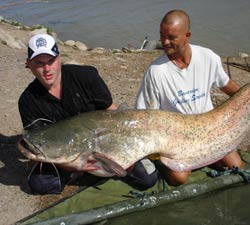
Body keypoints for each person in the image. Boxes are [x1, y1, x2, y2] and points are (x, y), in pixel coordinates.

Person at [19, 33, 157, 194]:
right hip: (67, 155)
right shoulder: (27, 101)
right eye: (39, 63)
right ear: (29, 64)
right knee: (38, 184)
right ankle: (84, 172)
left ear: (59, 58)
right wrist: (72, 165)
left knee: (148, 178)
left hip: (105, 144)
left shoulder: (86, 76)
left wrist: (124, 153)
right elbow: (36, 142)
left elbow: (114, 113)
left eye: (51, 61)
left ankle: (92, 173)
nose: (47, 69)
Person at [135, 10, 244, 186]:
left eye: (171, 37)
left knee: (236, 166)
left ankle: (205, 157)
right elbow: (144, 114)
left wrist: (248, 97)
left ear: (187, 35)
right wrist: (154, 147)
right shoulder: (156, 72)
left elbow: (226, 83)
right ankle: (163, 164)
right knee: (179, 178)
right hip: (176, 136)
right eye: (162, 36)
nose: (164, 42)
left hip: (209, 129)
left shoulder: (208, 57)